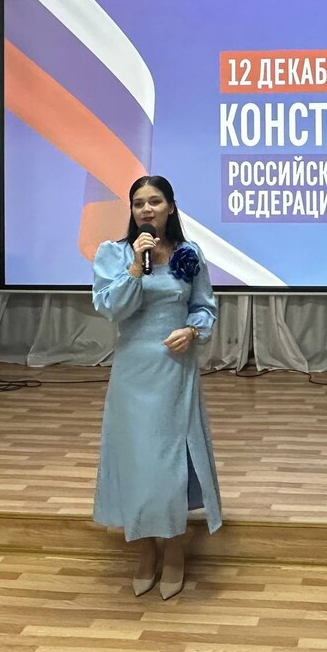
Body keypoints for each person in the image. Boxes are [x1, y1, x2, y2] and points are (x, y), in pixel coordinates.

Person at [91, 175, 221, 599]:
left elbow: (204, 307)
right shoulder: (113, 253)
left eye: (155, 201)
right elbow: (111, 307)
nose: (146, 209)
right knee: (138, 462)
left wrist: (192, 330)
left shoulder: (189, 253)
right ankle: (145, 549)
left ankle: (175, 548)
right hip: (133, 375)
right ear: (131, 211)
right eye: (138, 203)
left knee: (169, 463)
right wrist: (134, 266)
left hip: (174, 371)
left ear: (170, 207)